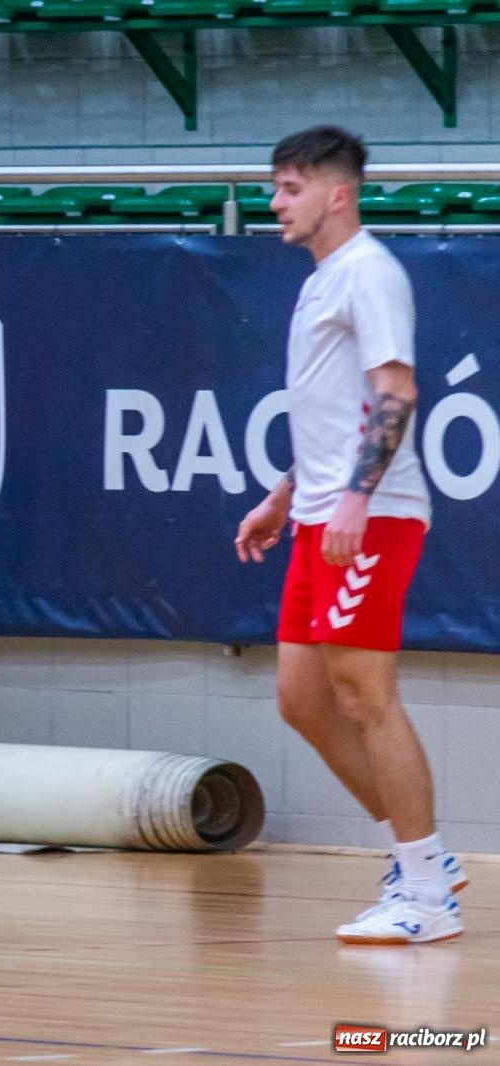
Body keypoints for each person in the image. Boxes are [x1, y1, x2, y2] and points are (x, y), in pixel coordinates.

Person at [235, 126, 466, 944]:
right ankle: (423, 861)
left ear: (337, 194)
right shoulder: (323, 278)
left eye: (289, 188)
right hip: (318, 512)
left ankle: (427, 894)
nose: (275, 203)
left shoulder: (370, 272)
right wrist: (286, 493)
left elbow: (395, 393)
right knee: (301, 699)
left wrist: (356, 499)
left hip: (373, 515)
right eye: (274, 187)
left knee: (366, 696)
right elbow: (331, 414)